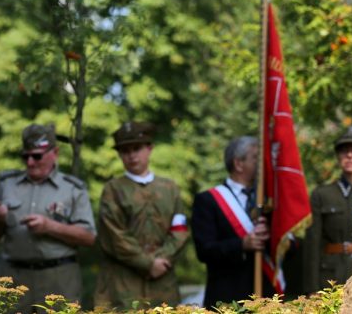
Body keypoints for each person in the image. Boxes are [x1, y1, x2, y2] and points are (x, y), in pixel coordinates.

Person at [0, 124, 95, 313]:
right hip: (14, 276)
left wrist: (50, 227)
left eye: (37, 156)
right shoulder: (7, 184)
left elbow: (89, 237)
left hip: (58, 278)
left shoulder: (72, 188)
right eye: (25, 156)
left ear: (55, 153)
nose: (30, 162)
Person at [93, 121, 189, 309]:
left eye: (137, 148)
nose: (132, 155)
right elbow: (115, 237)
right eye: (125, 151)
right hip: (124, 284)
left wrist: (162, 261)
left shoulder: (170, 188)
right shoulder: (113, 189)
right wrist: (148, 263)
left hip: (163, 283)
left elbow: (180, 231)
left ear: (149, 148)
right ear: (119, 154)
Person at [191, 136, 273, 308]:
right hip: (227, 297)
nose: (261, 163)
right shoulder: (208, 201)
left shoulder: (268, 199)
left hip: (266, 298)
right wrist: (241, 245)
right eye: (255, 158)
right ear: (238, 164)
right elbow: (204, 251)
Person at [303, 126, 352, 294]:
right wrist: (312, 288)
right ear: (338, 157)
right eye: (344, 151)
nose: (349, 155)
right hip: (330, 276)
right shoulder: (322, 194)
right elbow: (313, 243)